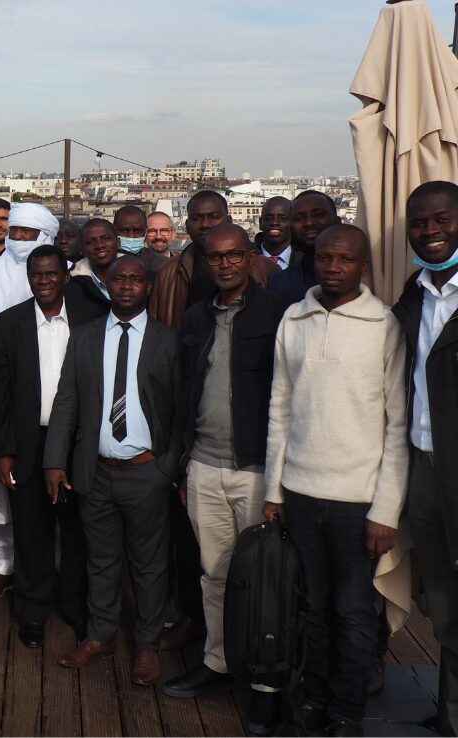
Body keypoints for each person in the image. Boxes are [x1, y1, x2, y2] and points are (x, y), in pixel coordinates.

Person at [263, 224, 407, 736]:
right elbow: (280, 408)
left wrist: (385, 509)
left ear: (362, 266)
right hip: (301, 493)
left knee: (353, 612)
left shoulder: (383, 325)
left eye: (345, 260)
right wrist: (274, 491)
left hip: (357, 502)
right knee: (313, 606)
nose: (333, 267)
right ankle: (314, 697)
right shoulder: (294, 318)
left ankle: (347, 710)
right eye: (326, 257)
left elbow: (397, 425)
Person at [160, 224, 290, 734]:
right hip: (203, 467)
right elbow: (184, 393)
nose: (226, 264)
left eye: (235, 255)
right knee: (213, 575)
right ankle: (217, 662)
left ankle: (266, 684)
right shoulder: (196, 317)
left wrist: (280, 483)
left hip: (257, 471)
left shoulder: (278, 315)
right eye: (216, 257)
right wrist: (183, 465)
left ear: (250, 258)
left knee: (264, 582)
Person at [44, 255, 183, 687]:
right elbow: (67, 400)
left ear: (148, 287)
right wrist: (55, 460)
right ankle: (100, 635)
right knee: (101, 560)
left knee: (149, 565)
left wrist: (167, 468)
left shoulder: (167, 340)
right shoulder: (85, 337)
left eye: (135, 280)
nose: (125, 286)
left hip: (147, 472)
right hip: (96, 471)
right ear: (107, 286)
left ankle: (147, 645)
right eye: (118, 279)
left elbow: (180, 410)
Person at [0, 244, 99, 649]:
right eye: (36, 275)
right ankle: (32, 610)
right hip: (28, 442)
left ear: (66, 276)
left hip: (76, 440)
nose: (44, 281)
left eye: (51, 274)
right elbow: (0, 395)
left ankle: (75, 607)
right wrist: (3, 450)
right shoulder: (8, 324)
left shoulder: (92, 318)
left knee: (75, 530)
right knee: (30, 527)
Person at [0, 202, 60, 600]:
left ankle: (50, 569)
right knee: (0, 492)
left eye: (28, 233)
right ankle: (1, 565)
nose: (20, 238)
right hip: (0, 394)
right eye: (15, 231)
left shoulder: (61, 276)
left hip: (51, 404)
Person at [393, 180, 458, 736]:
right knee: (443, 600)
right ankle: (451, 714)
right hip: (424, 468)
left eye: (441, 220)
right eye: (419, 223)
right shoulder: (413, 296)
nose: (430, 231)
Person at [151, 190, 277, 331]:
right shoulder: (168, 272)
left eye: (214, 217)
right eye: (197, 218)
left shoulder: (265, 269)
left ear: (229, 221)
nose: (205, 224)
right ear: (187, 225)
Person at [268, 191, 341, 302]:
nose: (309, 223)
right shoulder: (279, 284)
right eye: (299, 218)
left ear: (337, 222)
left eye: (318, 215)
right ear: (291, 228)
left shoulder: (360, 276)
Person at [67, 219, 117, 315]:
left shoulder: (138, 277)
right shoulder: (72, 285)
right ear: (82, 250)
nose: (99, 245)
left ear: (118, 242)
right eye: (91, 242)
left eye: (106, 238)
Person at [115, 205, 166, 275]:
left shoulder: (163, 265)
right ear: (113, 230)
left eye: (137, 231)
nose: (131, 237)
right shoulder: (104, 260)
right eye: (125, 231)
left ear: (146, 231)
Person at [257, 196, 293, 269]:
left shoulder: (306, 260)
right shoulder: (247, 259)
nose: (274, 223)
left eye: (283, 219)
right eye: (268, 218)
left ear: (292, 222)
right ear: (260, 223)